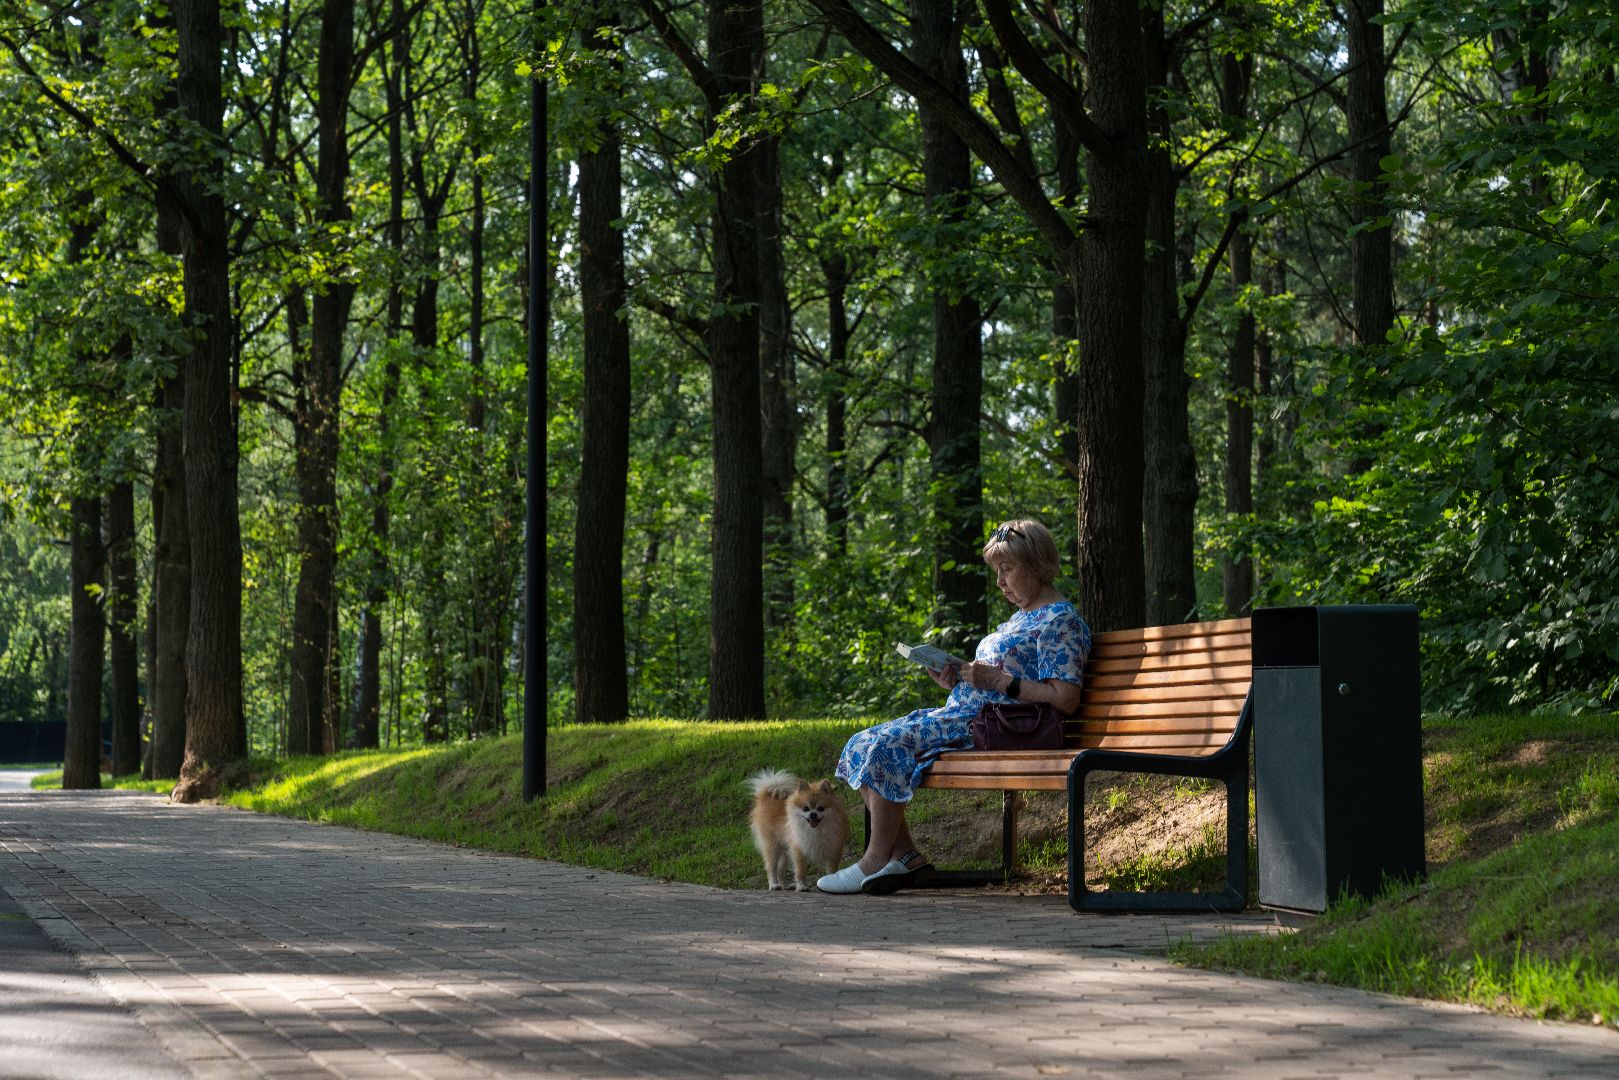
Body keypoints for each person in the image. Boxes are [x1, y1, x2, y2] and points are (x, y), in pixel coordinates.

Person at [817, 519, 1091, 895]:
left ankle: (875, 859)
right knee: (862, 741)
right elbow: (996, 674)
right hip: (965, 715)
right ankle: (907, 858)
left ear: (1036, 565)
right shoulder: (1021, 618)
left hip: (995, 725)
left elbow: (1065, 697)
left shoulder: (1061, 621)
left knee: (884, 746)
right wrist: (959, 677)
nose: (1000, 583)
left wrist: (999, 682)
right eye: (997, 571)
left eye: (1006, 570)